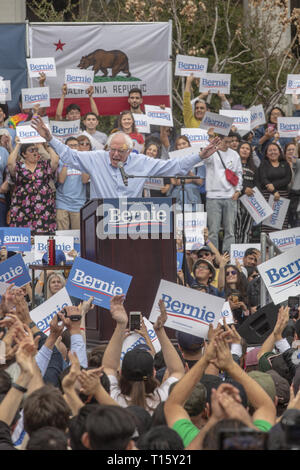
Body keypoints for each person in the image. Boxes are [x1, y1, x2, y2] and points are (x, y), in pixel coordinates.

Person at [31, 115, 221, 199]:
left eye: (120, 151)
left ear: (129, 151)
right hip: (101, 221)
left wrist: (199, 156)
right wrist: (49, 138)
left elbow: (173, 166)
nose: (114, 154)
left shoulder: (141, 162)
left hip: (131, 223)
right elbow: (69, 155)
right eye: (112, 150)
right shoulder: (97, 158)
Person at [102, 296, 185, 415]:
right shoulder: (162, 399)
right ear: (154, 373)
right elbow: (177, 371)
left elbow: (108, 367)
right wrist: (160, 331)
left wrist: (121, 325)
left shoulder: (112, 398)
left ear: (120, 373)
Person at [201, 133, 243, 253]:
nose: (228, 144)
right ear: (219, 141)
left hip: (230, 196)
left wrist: (238, 190)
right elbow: (204, 158)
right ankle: (213, 256)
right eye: (226, 141)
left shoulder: (234, 155)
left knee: (230, 230)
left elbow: (239, 173)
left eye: (230, 141)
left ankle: (227, 256)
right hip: (213, 197)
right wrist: (210, 144)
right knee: (213, 230)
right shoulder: (211, 152)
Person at [7, 139, 59, 233]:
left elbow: (55, 161)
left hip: (43, 206)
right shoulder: (19, 166)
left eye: (36, 150)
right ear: (24, 154)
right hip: (22, 206)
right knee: (22, 233)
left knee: (44, 232)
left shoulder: (44, 165)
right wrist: (18, 145)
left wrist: (46, 146)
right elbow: (10, 163)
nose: (35, 153)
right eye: (31, 150)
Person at [256, 142, 292, 233]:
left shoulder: (285, 164)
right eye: (270, 150)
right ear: (267, 154)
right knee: (267, 226)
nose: (273, 152)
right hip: (267, 196)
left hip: (283, 197)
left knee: (281, 225)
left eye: (275, 150)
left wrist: (274, 186)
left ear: (279, 152)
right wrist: (274, 191)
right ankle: (267, 246)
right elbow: (263, 178)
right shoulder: (264, 164)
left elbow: (287, 179)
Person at [56, 136, 90, 230]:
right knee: (62, 235)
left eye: (75, 145)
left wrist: (82, 161)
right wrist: (67, 161)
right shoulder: (61, 161)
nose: (73, 148)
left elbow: (85, 180)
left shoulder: (83, 161)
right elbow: (61, 180)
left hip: (78, 203)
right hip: (62, 202)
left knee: (78, 235)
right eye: (70, 146)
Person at [168, 135, 204, 208]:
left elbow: (200, 182)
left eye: (184, 143)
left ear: (189, 144)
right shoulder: (173, 160)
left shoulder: (198, 159)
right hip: (178, 195)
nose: (182, 146)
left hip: (193, 196)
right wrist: (192, 179)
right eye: (179, 144)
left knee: (194, 218)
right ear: (176, 147)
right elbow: (174, 182)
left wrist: (189, 173)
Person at [235, 141, 257, 243]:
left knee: (247, 230)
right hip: (236, 201)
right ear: (238, 150)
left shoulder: (254, 168)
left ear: (250, 153)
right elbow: (230, 181)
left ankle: (244, 252)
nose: (245, 150)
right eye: (242, 147)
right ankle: (234, 253)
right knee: (236, 229)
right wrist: (244, 189)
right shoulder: (233, 165)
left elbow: (258, 185)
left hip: (250, 203)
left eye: (247, 149)